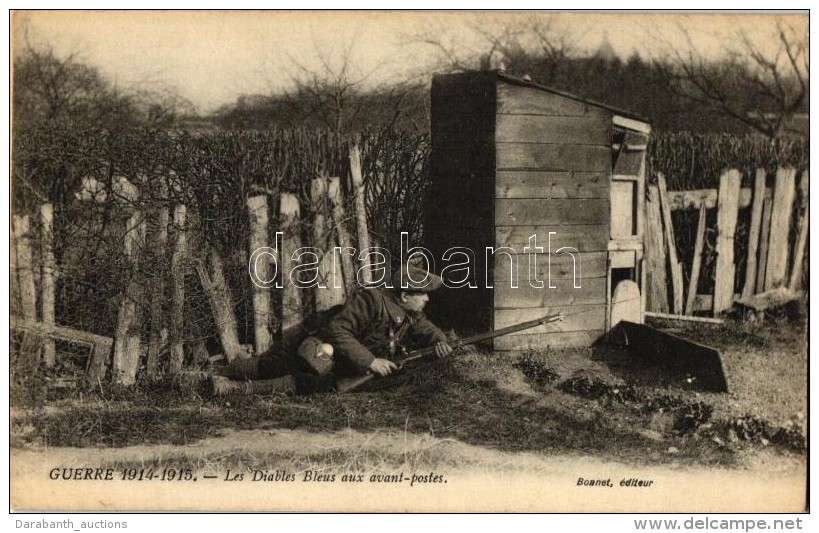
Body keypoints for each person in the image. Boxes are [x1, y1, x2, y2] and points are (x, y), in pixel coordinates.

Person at [209, 263, 453, 396]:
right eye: (423, 294)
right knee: (273, 365)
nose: (427, 300)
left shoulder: (410, 312)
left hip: (341, 357)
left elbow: (430, 331)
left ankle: (234, 389)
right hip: (313, 340)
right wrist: (371, 361)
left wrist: (441, 342)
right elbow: (338, 331)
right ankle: (217, 373)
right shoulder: (371, 301)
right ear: (404, 296)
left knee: (316, 383)